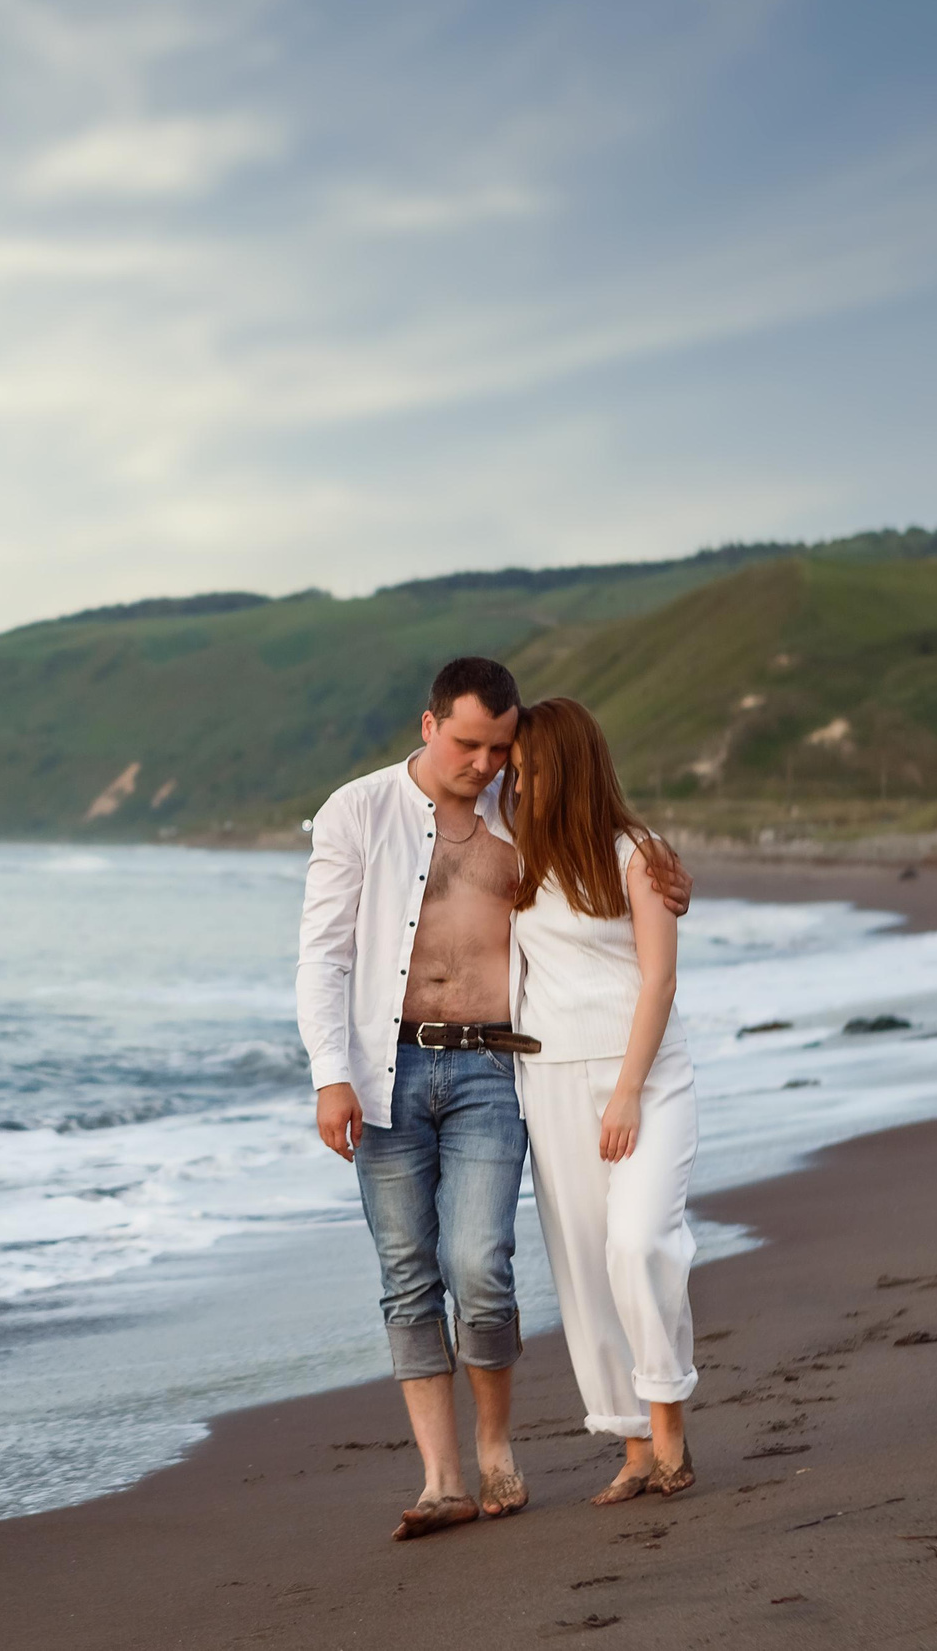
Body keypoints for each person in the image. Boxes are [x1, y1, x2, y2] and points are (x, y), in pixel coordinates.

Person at [297, 659, 690, 1541]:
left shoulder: (521, 814)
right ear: (429, 724)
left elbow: (612, 851)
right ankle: (443, 1479)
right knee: (408, 1272)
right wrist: (330, 1072)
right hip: (385, 1068)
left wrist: (671, 878)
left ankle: (497, 1447)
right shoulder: (356, 811)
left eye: (500, 748)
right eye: (469, 743)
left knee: (481, 1262)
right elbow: (322, 954)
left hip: (490, 1068)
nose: (484, 763)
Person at [509, 696, 700, 1503]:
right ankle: (630, 1448)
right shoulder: (512, 854)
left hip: (643, 1078)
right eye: (512, 772)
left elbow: (659, 977)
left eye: (531, 769)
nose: (517, 786)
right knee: (586, 1269)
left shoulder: (638, 853)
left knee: (639, 1241)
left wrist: (625, 1091)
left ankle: (671, 1437)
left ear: (571, 766)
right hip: (548, 1079)